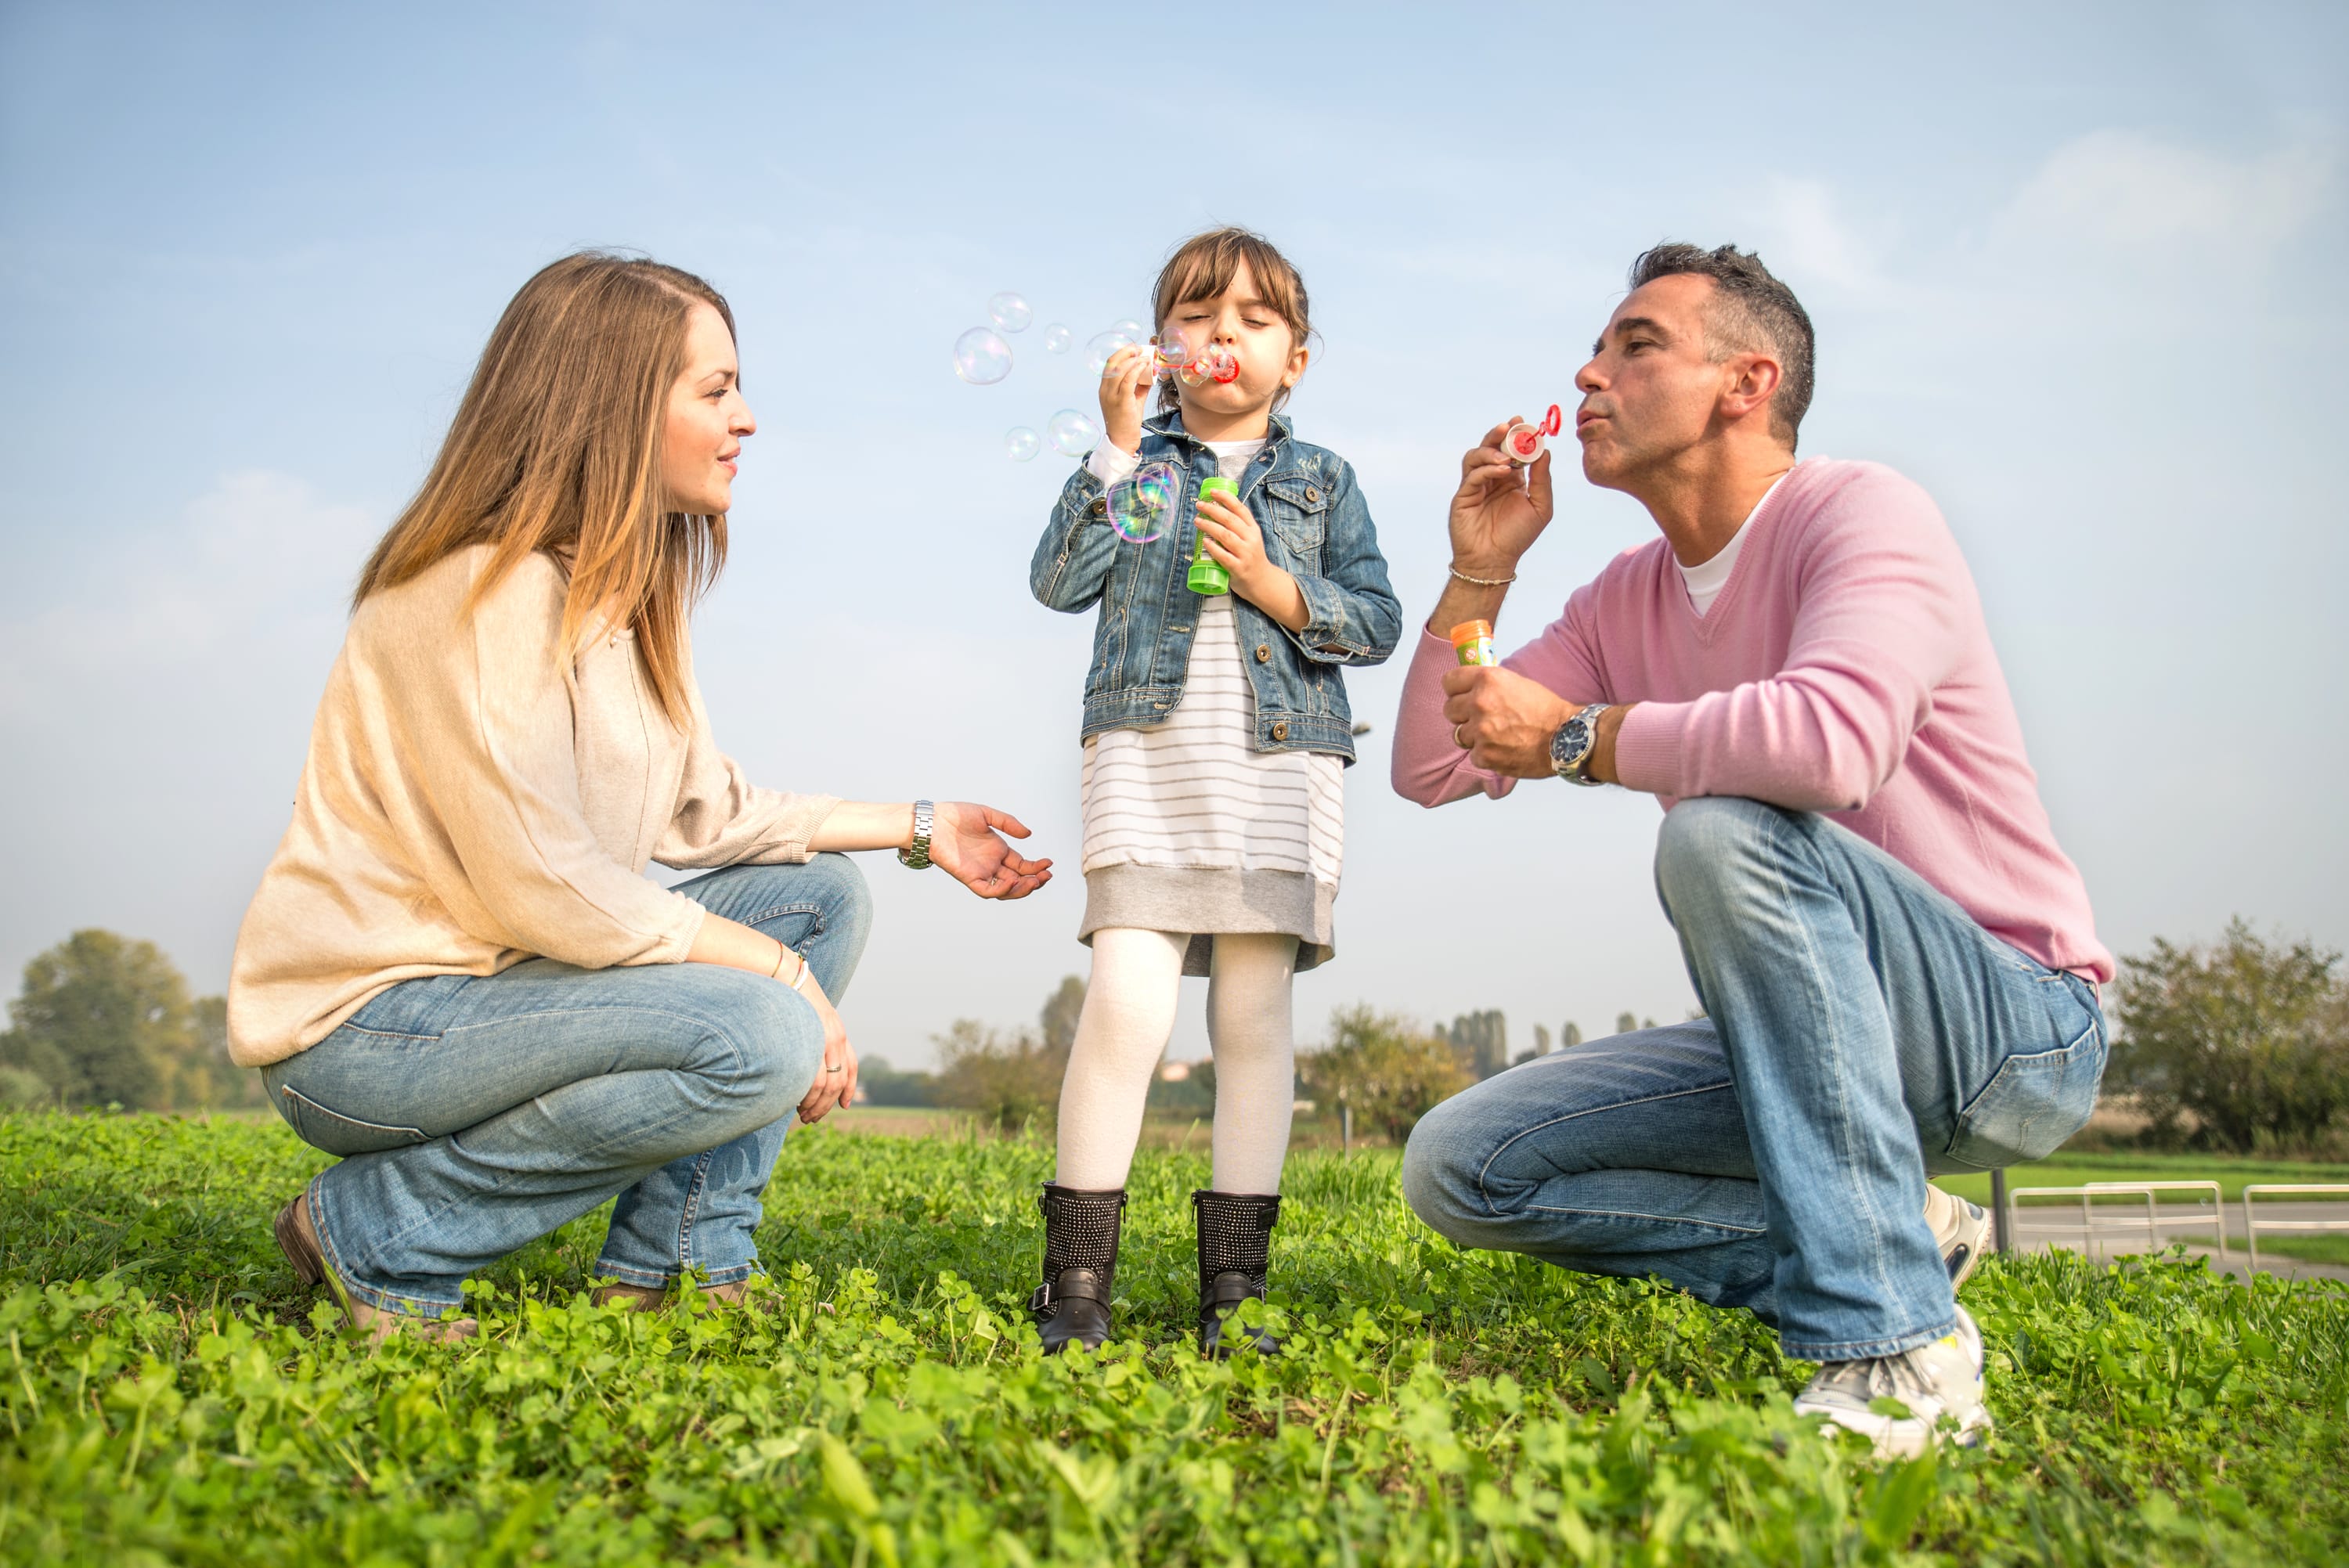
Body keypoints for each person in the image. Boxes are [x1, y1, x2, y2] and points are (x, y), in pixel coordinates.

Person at [227, 252, 1052, 1341]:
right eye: (715, 390)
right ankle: (382, 1231)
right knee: (764, 1034)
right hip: (372, 1027)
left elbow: (704, 811)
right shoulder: (478, 589)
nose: (747, 418)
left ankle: (676, 1264)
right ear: (610, 406)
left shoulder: (619, 596)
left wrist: (920, 826)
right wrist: (783, 979)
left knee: (820, 896)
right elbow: (542, 883)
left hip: (500, 986)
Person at [1391, 243, 2112, 1455]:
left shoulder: (1864, 512)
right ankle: (1900, 1241)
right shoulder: (1621, 598)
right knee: (1464, 1166)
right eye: (1597, 349)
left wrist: (1579, 738)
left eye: (1637, 346)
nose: (1590, 373)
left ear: (1746, 383)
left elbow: (1832, 748)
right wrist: (1483, 569)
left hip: (2010, 1026)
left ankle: (1895, 1351)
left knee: (1721, 829)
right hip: (1807, 1043)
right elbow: (1432, 764)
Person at [1026, 229, 1400, 1355]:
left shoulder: (1323, 479)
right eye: (1195, 314)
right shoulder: (1139, 463)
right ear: (1160, 348)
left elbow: (1376, 620)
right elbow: (1058, 583)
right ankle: (1075, 1288)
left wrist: (1276, 585)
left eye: (1253, 318)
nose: (1222, 333)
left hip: (1278, 772)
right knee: (1125, 1007)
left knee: (1251, 1018)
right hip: (1146, 762)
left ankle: (1236, 1292)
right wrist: (1113, 447)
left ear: (1296, 358)